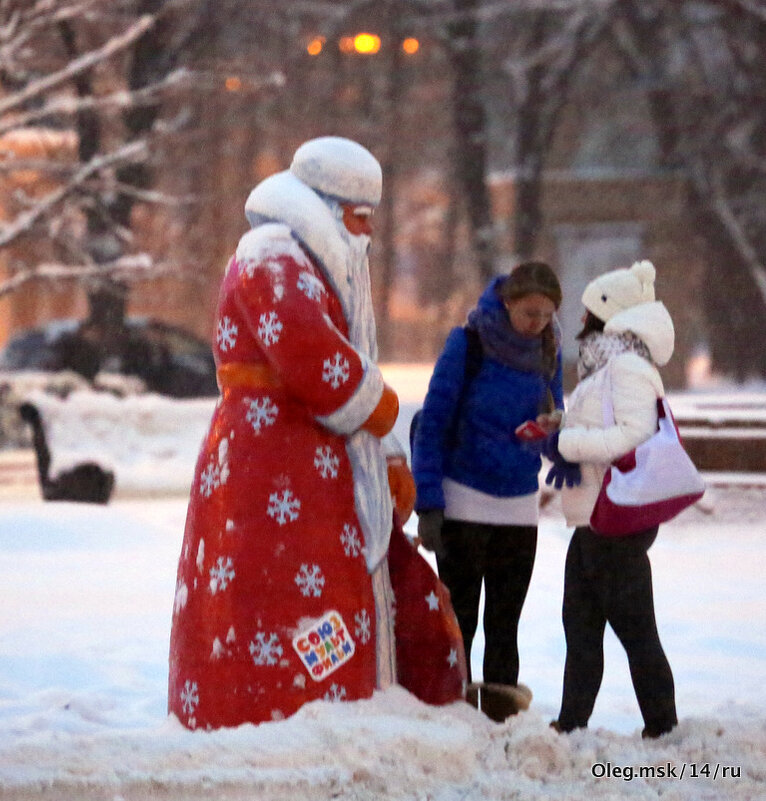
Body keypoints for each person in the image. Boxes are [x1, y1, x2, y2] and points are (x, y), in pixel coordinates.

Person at [167, 137, 425, 730]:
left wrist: (383, 453)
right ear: (329, 208)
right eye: (359, 217)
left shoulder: (308, 259)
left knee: (319, 581)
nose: (368, 233)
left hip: (306, 457)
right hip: (269, 458)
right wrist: (377, 406)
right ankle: (274, 702)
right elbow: (309, 353)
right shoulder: (272, 256)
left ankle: (325, 690)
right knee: (274, 585)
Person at [411, 261, 564, 722]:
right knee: (460, 620)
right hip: (463, 501)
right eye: (530, 313)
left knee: (504, 624)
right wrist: (429, 504)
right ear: (508, 303)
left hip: (519, 507)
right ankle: (450, 713)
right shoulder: (469, 344)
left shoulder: (548, 351)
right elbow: (432, 423)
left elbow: (554, 424)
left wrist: (551, 432)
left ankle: (499, 716)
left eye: (547, 315)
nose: (538, 324)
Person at [543, 259, 678, 738]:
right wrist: (560, 426)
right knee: (580, 627)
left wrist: (568, 443)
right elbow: (604, 425)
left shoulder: (627, 368)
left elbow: (634, 437)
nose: (580, 319)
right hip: (595, 518)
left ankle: (662, 727)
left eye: (588, 311)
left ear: (609, 313)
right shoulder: (607, 366)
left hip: (616, 521)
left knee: (635, 630)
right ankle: (571, 724)